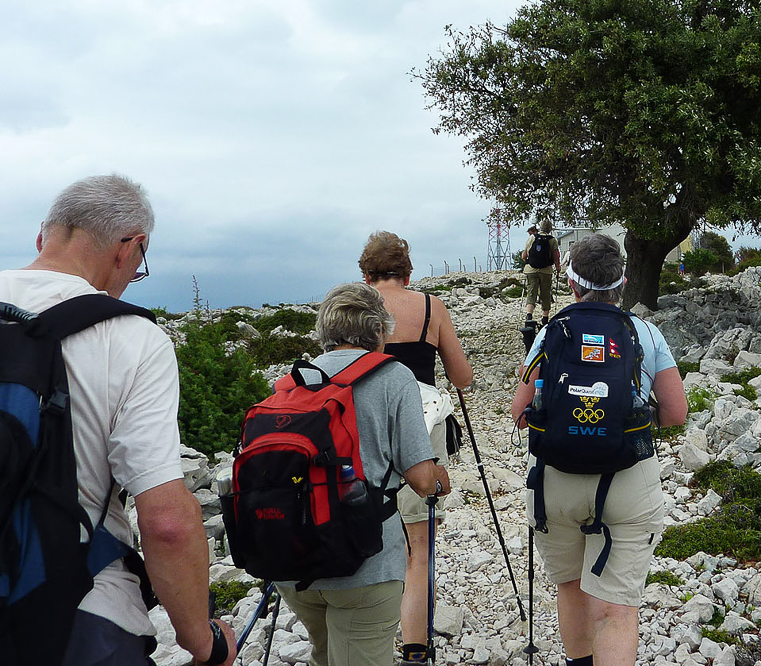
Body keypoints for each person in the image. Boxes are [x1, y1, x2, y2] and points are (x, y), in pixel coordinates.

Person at [0, 174, 236, 665]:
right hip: (76, 612)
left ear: (43, 235)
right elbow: (167, 521)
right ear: (131, 247)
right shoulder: (129, 336)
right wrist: (202, 642)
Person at [510, 234, 687, 666]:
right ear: (622, 281)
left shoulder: (551, 333)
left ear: (571, 284)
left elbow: (519, 413)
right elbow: (677, 412)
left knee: (570, 586)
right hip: (628, 480)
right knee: (617, 609)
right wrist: (625, 428)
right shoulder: (644, 333)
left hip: (555, 482)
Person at [276, 282, 451, 666]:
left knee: (325, 655)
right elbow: (421, 479)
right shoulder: (394, 377)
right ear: (379, 331)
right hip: (364, 562)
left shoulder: (290, 383)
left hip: (294, 561)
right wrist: (439, 475)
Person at [357, 231, 473, 665]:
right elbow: (462, 378)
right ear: (408, 273)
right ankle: (415, 646)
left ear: (365, 273)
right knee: (418, 548)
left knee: (368, 531)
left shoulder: (357, 307)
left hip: (364, 428)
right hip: (421, 427)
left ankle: (369, 629)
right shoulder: (430, 307)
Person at [522, 218, 561, 326]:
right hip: (546, 271)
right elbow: (556, 256)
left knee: (531, 292)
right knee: (545, 293)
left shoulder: (532, 238)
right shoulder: (552, 240)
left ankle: (529, 316)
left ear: (540, 228)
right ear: (550, 229)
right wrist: (558, 269)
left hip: (531, 269)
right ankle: (545, 318)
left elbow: (524, 255)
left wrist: (529, 262)